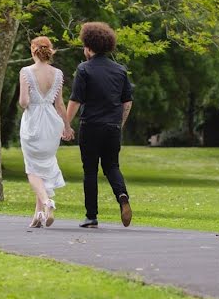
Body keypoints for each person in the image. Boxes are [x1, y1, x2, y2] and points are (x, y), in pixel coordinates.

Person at [65, 22, 134, 228]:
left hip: (91, 125)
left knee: (90, 171)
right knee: (112, 165)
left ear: (88, 47)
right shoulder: (120, 71)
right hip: (112, 126)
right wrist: (118, 124)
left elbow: (76, 100)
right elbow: (127, 102)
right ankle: (122, 195)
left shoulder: (84, 69)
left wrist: (65, 124)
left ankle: (91, 216)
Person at [19, 36, 75, 228]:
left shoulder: (26, 71)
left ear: (33, 50)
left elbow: (24, 102)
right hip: (52, 123)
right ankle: (38, 215)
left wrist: (26, 102)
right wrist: (67, 127)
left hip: (33, 121)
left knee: (32, 169)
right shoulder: (57, 73)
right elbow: (60, 104)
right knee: (43, 166)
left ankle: (47, 202)